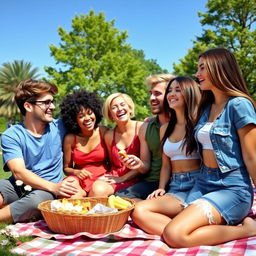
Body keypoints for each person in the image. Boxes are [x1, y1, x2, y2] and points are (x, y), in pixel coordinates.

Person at [162, 48, 256, 247]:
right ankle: (212, 230)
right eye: (198, 68)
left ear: (220, 68)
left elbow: (252, 157)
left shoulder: (239, 105)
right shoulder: (206, 108)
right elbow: (180, 115)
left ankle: (245, 230)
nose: (197, 74)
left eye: (202, 68)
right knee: (153, 217)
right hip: (203, 183)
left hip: (231, 188)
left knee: (174, 235)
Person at [0, 79, 78, 223]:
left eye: (52, 101)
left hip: (46, 191)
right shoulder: (11, 135)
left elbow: (91, 126)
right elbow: (19, 172)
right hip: (19, 184)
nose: (53, 106)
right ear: (28, 106)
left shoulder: (61, 126)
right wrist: (55, 187)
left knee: (36, 201)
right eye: (46, 102)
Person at [131, 76, 201, 235]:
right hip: (176, 187)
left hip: (199, 184)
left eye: (177, 90)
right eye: (170, 91)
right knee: (138, 210)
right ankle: (182, 231)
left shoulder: (199, 123)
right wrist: (161, 188)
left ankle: (182, 231)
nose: (171, 94)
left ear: (189, 93)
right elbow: (166, 165)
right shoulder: (165, 129)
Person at [115, 74, 175, 201]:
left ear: (171, 95)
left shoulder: (184, 123)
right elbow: (146, 165)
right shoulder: (146, 128)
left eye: (157, 93)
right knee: (119, 198)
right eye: (151, 93)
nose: (151, 98)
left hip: (179, 183)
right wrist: (138, 164)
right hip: (152, 182)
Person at [89, 93, 143, 196]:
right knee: (96, 189)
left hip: (136, 178)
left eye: (123, 105)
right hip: (115, 176)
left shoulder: (141, 128)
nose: (119, 109)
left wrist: (121, 179)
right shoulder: (109, 136)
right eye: (114, 107)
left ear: (130, 108)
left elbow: (145, 164)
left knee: (99, 190)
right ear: (110, 115)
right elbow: (111, 163)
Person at [60, 90, 109, 197]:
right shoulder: (70, 138)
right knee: (67, 191)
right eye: (81, 116)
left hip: (102, 178)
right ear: (74, 120)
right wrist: (76, 172)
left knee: (96, 196)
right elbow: (66, 168)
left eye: (90, 113)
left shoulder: (103, 131)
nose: (87, 118)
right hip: (80, 179)